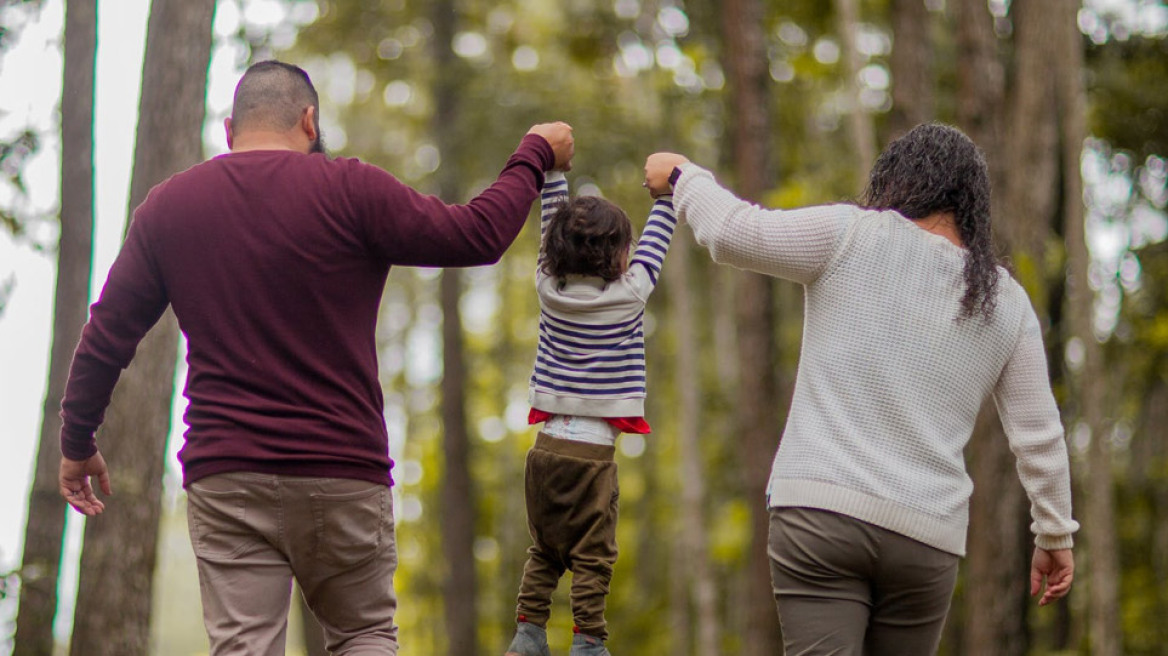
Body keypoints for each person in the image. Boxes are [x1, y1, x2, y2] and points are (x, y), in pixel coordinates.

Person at [56, 59, 574, 656]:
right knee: (364, 636)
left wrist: (78, 442)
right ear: (309, 120)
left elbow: (107, 336)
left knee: (244, 648)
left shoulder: (169, 207)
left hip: (229, 476)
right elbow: (477, 236)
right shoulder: (351, 189)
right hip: (342, 472)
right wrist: (533, 152)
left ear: (230, 130)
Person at [643, 122, 1078, 655]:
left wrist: (684, 176)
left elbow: (733, 231)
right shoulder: (1005, 302)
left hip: (821, 516)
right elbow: (1040, 435)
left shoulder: (850, 234)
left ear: (897, 181)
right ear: (971, 205)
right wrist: (1054, 534)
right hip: (926, 537)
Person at [504, 159, 678, 656]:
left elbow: (550, 223)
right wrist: (665, 196)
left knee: (544, 550)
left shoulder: (548, 290)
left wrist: (554, 175)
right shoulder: (630, 295)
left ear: (555, 252)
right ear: (621, 256)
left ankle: (529, 632)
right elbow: (657, 241)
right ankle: (588, 641)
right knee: (593, 555)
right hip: (592, 459)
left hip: (545, 452)